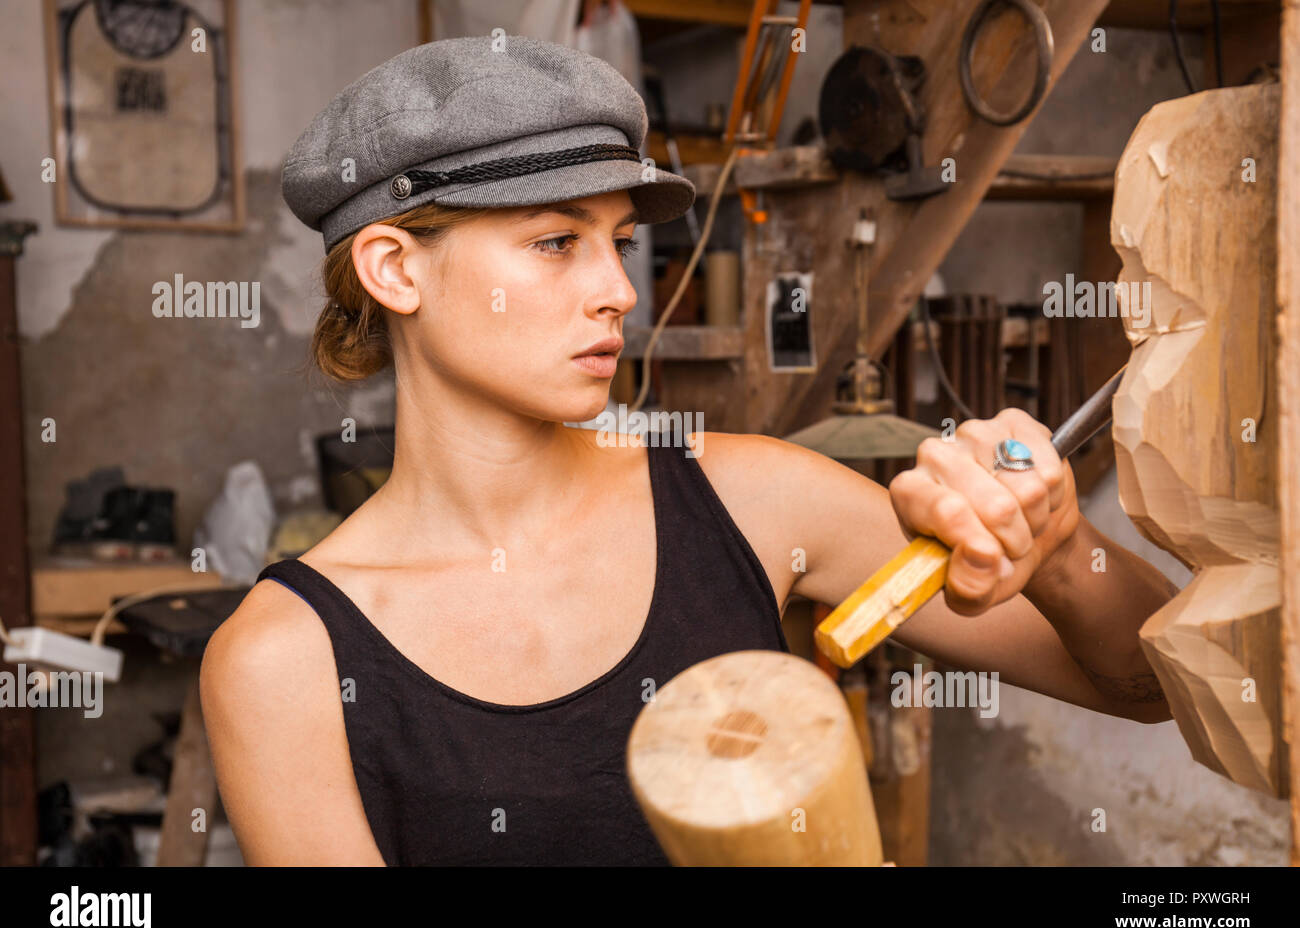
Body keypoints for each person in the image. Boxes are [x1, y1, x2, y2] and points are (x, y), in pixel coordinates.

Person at [200, 35, 1176, 867]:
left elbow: (1151, 690)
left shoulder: (756, 499)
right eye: (554, 241)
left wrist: (1057, 552)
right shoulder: (284, 659)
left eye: (618, 239)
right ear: (395, 268)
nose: (618, 290)